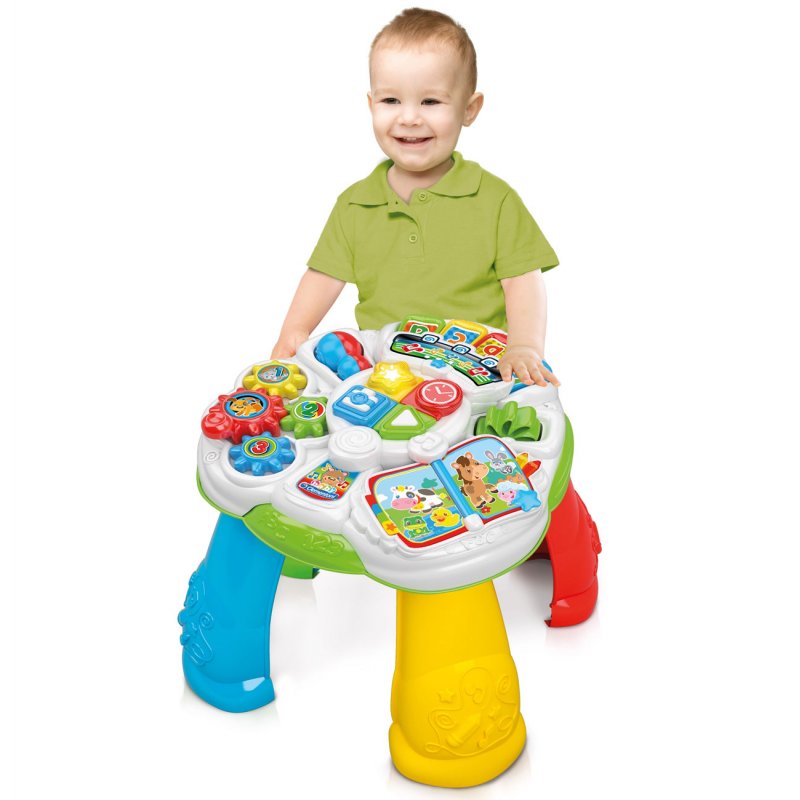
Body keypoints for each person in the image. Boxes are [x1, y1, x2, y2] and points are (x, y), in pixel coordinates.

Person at [272, 7, 560, 387]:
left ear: (469, 109)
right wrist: (293, 331)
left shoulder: (495, 200)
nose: (409, 117)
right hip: (382, 377)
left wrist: (524, 346)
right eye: (391, 101)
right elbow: (323, 276)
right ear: (371, 104)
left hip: (477, 373)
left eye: (430, 102)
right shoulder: (355, 204)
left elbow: (523, 280)